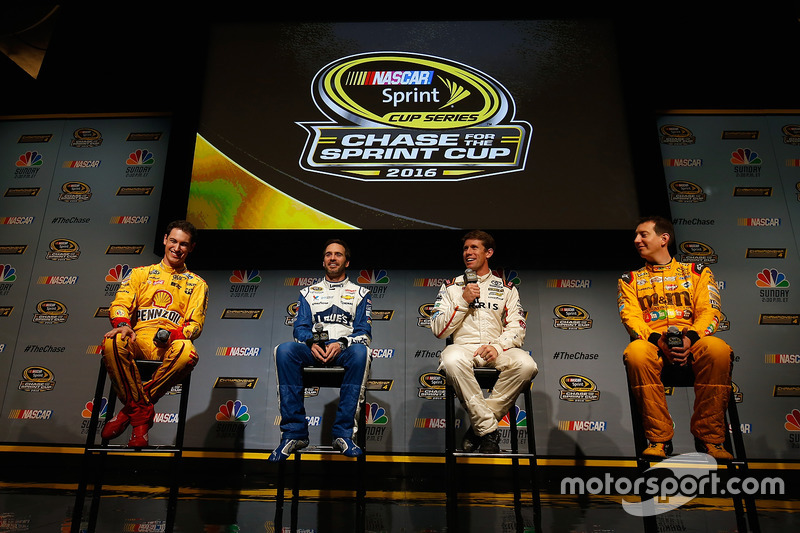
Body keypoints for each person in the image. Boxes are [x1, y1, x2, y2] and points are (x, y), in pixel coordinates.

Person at [618, 215, 733, 460]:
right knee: (635, 353)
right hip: (653, 345)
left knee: (718, 349)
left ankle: (709, 439)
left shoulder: (697, 272)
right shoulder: (630, 280)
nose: (636, 240)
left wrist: (691, 337)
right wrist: (657, 341)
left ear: (664, 239)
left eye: (643, 234)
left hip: (694, 342)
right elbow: (631, 318)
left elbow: (710, 311)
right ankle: (659, 440)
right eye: (636, 236)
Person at [101, 220, 209, 447]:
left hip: (169, 342)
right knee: (113, 341)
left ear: (191, 248)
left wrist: (173, 335)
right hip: (137, 338)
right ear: (164, 240)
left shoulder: (197, 284)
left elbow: (195, 325)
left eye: (183, 244)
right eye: (173, 241)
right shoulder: (140, 274)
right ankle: (140, 416)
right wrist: (122, 323)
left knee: (188, 351)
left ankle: (127, 413)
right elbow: (120, 303)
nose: (177, 248)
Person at [430, 230, 538, 453]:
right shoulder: (451, 287)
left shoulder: (507, 288)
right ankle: (489, 431)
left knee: (527, 365)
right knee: (450, 361)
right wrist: (463, 300)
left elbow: (518, 326)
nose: (468, 252)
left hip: (497, 348)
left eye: (474, 248)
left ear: (488, 252)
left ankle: (478, 428)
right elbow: (438, 329)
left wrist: (497, 346)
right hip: (463, 348)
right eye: (465, 248)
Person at [269, 239, 372, 462]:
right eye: (328, 254)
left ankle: (344, 435)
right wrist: (311, 343)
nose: (332, 258)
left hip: (344, 350)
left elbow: (364, 332)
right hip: (314, 350)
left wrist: (341, 343)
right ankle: (294, 434)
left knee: (362, 352)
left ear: (347, 261)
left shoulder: (360, 293)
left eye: (338, 254)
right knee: (284, 350)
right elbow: (300, 328)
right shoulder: (308, 293)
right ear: (323, 260)